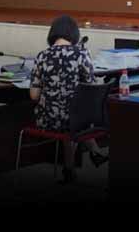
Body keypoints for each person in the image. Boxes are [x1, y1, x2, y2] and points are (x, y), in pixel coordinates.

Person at [28, 15, 107, 183]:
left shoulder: (42, 56)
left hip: (48, 119)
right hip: (77, 119)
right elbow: (92, 88)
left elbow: (34, 96)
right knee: (75, 117)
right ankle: (93, 153)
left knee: (70, 120)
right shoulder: (81, 55)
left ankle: (72, 167)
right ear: (74, 34)